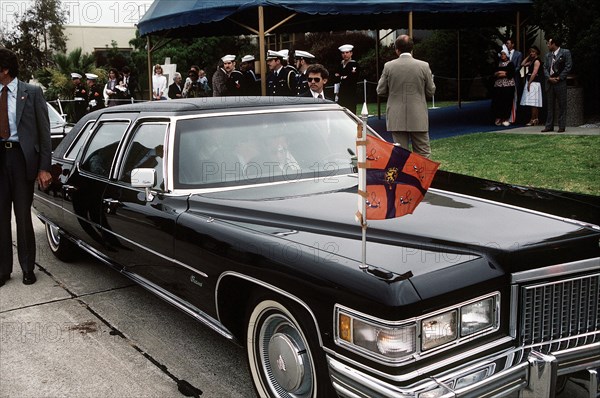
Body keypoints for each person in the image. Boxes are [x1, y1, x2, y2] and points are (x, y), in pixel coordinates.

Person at [0, 47, 53, 287]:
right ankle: (3, 270)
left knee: (22, 217)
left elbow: (44, 133)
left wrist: (44, 168)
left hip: (22, 161)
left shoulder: (31, 92)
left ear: (5, 70)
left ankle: (27, 268)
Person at [376, 35, 436, 158]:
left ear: (396, 49)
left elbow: (380, 90)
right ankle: (420, 177)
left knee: (400, 155)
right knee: (423, 153)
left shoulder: (389, 66)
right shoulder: (424, 66)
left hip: (396, 115)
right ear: (412, 48)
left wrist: (394, 93)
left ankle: (403, 177)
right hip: (418, 115)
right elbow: (431, 91)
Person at [541, 37, 572, 133]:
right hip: (550, 82)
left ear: (554, 44)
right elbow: (545, 67)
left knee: (562, 105)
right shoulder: (547, 55)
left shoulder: (565, 52)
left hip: (560, 82)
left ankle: (561, 126)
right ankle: (549, 126)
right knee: (550, 105)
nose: (547, 45)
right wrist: (549, 78)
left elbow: (568, 66)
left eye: (548, 43)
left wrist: (559, 77)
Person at [491, 51, 516, 127]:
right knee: (498, 102)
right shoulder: (498, 63)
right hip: (498, 85)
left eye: (504, 54)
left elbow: (510, 74)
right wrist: (502, 72)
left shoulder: (510, 63)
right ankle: (498, 117)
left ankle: (505, 118)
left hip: (508, 85)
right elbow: (495, 73)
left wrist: (501, 73)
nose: (502, 56)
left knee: (507, 101)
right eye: (501, 54)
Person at [333, 44, 360, 114]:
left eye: (347, 52)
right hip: (341, 94)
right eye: (343, 53)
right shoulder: (340, 65)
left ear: (351, 53)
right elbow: (335, 78)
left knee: (351, 113)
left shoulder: (354, 65)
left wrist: (340, 77)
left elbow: (351, 79)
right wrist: (343, 77)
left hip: (350, 94)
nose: (345, 54)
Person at [520, 45, 543, 126]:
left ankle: (533, 119)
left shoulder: (537, 61)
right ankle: (535, 119)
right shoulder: (532, 61)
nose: (531, 53)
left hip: (534, 82)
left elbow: (534, 72)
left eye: (533, 52)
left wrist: (529, 82)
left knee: (533, 102)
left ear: (536, 52)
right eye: (530, 52)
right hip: (531, 81)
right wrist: (528, 56)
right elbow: (522, 64)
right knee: (533, 102)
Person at [505, 38, 523, 123]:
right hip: (505, 79)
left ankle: (514, 117)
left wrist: (510, 73)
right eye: (506, 44)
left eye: (508, 43)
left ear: (513, 44)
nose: (507, 45)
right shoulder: (504, 54)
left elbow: (519, 66)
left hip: (514, 77)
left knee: (515, 97)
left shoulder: (518, 54)